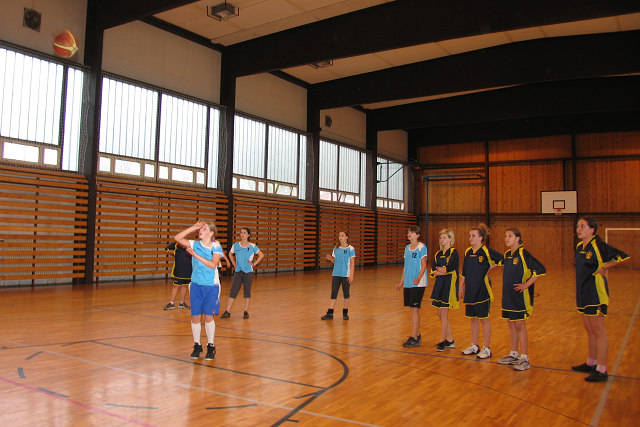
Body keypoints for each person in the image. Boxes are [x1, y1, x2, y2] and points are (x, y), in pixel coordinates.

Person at [572, 217, 629, 382]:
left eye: (582, 226)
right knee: (589, 329)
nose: (578, 229)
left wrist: (604, 267)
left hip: (595, 293)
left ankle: (602, 370)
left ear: (592, 230)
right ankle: (591, 362)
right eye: (578, 226)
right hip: (582, 292)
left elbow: (622, 256)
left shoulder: (598, 245)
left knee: (598, 331)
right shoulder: (579, 247)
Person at [497, 228, 546, 371]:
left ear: (518, 238)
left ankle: (525, 358)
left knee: (519, 325)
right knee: (511, 323)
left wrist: (526, 284)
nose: (507, 238)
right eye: (506, 236)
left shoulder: (523, 253)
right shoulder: (507, 254)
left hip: (519, 296)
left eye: (510, 236)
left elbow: (540, 269)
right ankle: (514, 354)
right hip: (508, 295)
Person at [175, 220, 223, 361]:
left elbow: (213, 265)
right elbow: (177, 238)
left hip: (211, 286)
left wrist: (195, 256)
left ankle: (211, 346)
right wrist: (193, 227)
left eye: (204, 228)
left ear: (211, 233)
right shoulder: (194, 244)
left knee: (208, 316)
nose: (201, 230)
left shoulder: (216, 245)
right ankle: (197, 345)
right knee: (195, 316)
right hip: (196, 285)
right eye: (200, 229)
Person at [459, 224, 503, 359]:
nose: (470, 238)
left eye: (473, 236)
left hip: (483, 290)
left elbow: (503, 259)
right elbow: (464, 271)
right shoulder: (468, 252)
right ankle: (474, 345)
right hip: (470, 289)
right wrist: (461, 287)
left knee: (484, 318)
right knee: (473, 318)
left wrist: (490, 267)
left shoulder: (486, 251)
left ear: (480, 238)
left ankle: (486, 348)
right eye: (470, 236)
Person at [395, 226, 428, 348]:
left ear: (418, 235)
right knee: (412, 309)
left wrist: (418, 277)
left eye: (412, 232)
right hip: (408, 282)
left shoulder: (421, 247)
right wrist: (401, 281)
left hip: (418, 283)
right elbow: (406, 266)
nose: (409, 234)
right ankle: (416, 335)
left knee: (415, 309)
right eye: (408, 232)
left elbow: (424, 264)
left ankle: (414, 337)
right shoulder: (407, 248)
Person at [221, 227, 264, 319]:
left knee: (247, 291)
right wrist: (234, 264)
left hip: (248, 272)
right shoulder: (236, 245)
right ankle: (227, 311)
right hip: (238, 272)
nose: (242, 234)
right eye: (241, 232)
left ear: (248, 235)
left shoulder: (252, 246)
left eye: (244, 233)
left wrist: (254, 264)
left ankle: (246, 311)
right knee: (233, 291)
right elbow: (230, 254)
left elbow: (261, 255)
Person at [430, 229, 459, 351]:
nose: (442, 240)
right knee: (439, 313)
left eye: (445, 238)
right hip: (439, 284)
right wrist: (439, 270)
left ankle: (442, 340)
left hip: (449, 284)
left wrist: (440, 270)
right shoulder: (438, 254)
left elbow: (448, 269)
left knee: (444, 313)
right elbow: (433, 270)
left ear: (450, 239)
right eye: (441, 238)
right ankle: (450, 340)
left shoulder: (453, 252)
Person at [320, 231, 356, 320]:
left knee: (346, 294)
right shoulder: (336, 248)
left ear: (346, 237)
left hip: (345, 275)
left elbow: (352, 263)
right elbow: (335, 261)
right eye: (339, 236)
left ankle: (345, 312)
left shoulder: (351, 249)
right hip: (336, 274)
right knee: (334, 293)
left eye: (342, 236)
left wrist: (351, 275)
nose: (340, 237)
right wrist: (331, 259)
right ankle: (330, 313)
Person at [163, 242, 192, 310]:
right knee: (175, 286)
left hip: (188, 270)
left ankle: (182, 303)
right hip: (178, 270)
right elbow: (166, 249)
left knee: (185, 286)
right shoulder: (175, 244)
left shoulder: (190, 244)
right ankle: (171, 303)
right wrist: (174, 253)